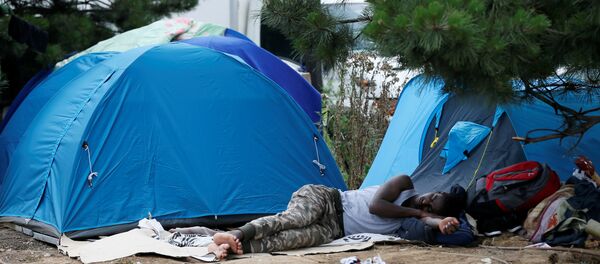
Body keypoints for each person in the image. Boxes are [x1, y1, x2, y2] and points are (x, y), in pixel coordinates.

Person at [183, 175, 467, 254]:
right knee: (293, 219)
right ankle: (235, 233)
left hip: (336, 229)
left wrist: (439, 222)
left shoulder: (413, 218)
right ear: (435, 190)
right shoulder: (404, 183)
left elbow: (428, 222)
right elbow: (376, 206)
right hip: (328, 199)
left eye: (432, 208)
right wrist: (420, 213)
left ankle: (231, 247)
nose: (428, 203)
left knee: (292, 240)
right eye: (434, 197)